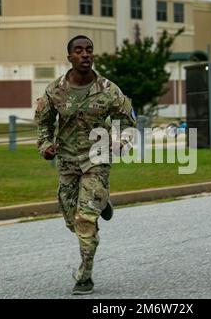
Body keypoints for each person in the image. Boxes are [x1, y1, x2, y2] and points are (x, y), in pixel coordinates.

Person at [35, 35, 136, 295]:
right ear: (69, 57)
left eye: (89, 50)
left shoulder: (108, 89)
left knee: (84, 220)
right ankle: (100, 202)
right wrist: (45, 147)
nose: (84, 54)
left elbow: (127, 122)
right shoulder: (54, 90)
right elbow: (44, 125)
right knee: (72, 220)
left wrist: (121, 142)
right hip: (67, 164)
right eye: (78, 51)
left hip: (97, 161)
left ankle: (85, 276)